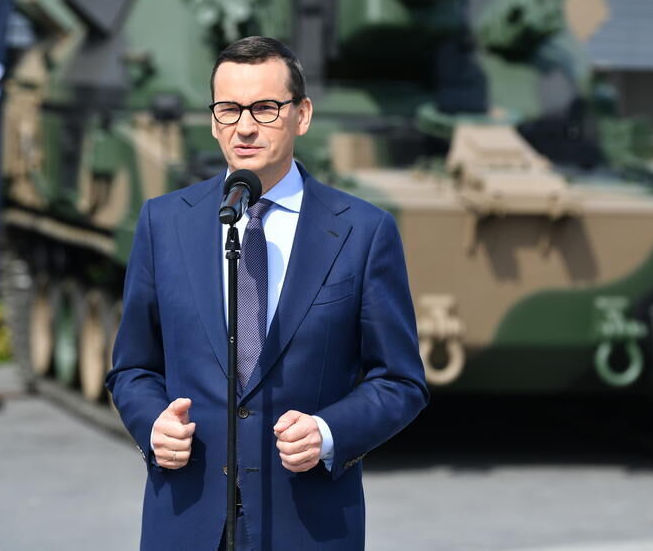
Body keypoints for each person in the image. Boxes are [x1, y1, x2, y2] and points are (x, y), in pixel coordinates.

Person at [106, 36, 428, 550]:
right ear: (214, 120)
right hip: (187, 520)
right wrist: (152, 425)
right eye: (229, 109)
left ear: (302, 115)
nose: (245, 126)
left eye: (265, 108)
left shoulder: (364, 232)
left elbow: (400, 381)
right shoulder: (162, 223)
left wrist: (328, 432)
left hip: (308, 523)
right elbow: (132, 368)